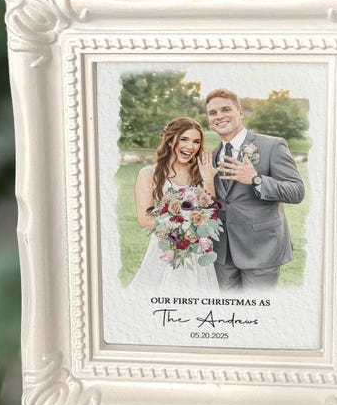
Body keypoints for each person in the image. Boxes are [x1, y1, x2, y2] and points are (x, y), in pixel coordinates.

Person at [205, 89, 305, 291]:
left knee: (257, 309)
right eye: (212, 113)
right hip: (222, 254)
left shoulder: (272, 146)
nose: (219, 116)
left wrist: (256, 179)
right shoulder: (211, 157)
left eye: (226, 109)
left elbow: (296, 191)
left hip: (261, 250)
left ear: (240, 112)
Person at [128, 117, 220, 292]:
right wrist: (183, 232)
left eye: (196, 142)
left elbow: (211, 212)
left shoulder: (201, 172)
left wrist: (208, 180)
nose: (190, 147)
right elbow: (145, 219)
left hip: (197, 251)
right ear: (170, 140)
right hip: (165, 250)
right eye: (184, 139)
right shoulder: (149, 174)